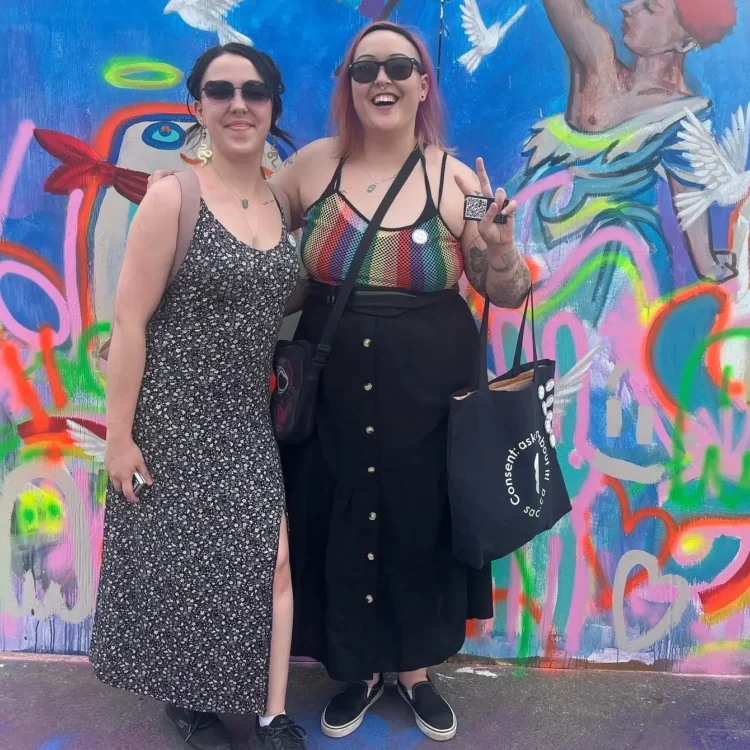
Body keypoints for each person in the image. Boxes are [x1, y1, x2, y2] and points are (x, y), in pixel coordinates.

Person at [151, 21, 531, 742]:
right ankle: (355, 672)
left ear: (423, 85)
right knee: (341, 518)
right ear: (348, 87)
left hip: (432, 397)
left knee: (422, 522)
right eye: (365, 69)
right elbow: (244, 229)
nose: (382, 80)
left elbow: (501, 288)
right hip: (329, 389)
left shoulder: (458, 181)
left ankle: (416, 672)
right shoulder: (311, 169)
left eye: (399, 67)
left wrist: (503, 251)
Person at [91, 43, 307, 750]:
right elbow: (130, 320)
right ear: (198, 107)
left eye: (254, 91)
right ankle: (190, 702)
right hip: (173, 417)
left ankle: (273, 716)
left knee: (269, 561)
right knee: (187, 565)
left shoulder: (279, 205)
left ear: (274, 108)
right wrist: (119, 438)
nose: (238, 104)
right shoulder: (172, 197)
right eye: (221, 91)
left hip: (244, 418)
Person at [516, 0, 738, 325]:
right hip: (539, 225)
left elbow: (688, 196)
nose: (627, 7)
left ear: (686, 41)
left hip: (617, 250)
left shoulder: (686, 112)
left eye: (649, 6)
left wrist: (708, 265)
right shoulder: (599, 63)